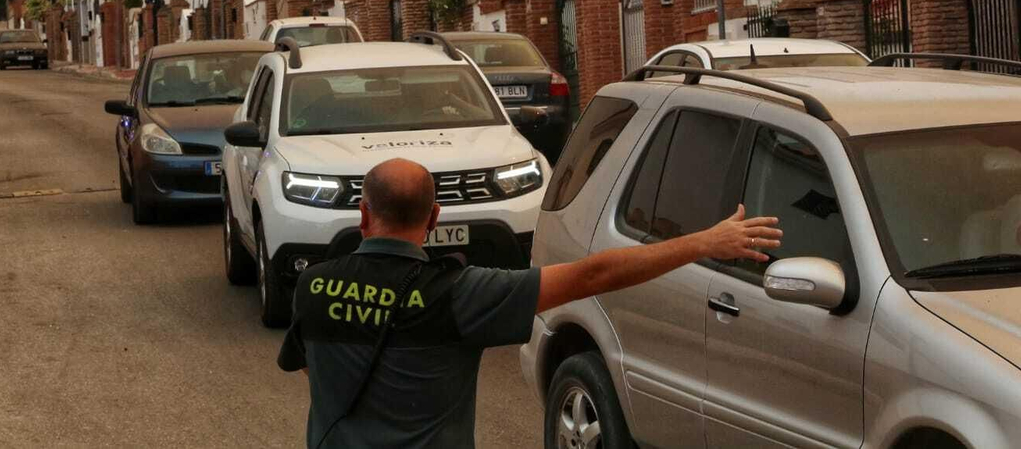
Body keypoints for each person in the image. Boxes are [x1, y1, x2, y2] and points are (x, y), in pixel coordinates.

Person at [278, 157, 782, 448]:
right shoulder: (461, 294)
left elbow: (310, 370)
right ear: (433, 217)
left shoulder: (313, 287)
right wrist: (704, 242)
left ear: (364, 214)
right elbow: (595, 274)